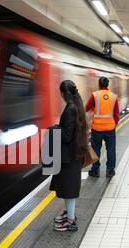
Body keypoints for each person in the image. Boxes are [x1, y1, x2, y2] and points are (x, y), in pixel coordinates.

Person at [51, 80, 89, 232]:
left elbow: (66, 136)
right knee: (68, 187)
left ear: (62, 93)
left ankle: (71, 221)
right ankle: (69, 213)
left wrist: (54, 129)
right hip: (74, 153)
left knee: (69, 189)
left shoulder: (70, 109)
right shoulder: (76, 106)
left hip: (70, 154)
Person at [85, 77, 119, 178]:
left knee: (96, 149)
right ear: (107, 85)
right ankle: (110, 171)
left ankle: (95, 170)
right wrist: (114, 123)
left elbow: (87, 108)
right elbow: (116, 113)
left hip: (97, 128)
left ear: (99, 85)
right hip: (110, 128)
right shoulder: (113, 96)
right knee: (111, 149)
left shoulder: (94, 95)